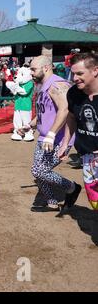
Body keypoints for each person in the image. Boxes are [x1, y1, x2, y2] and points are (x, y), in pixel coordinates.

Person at [18, 56, 78, 213]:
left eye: (33, 69)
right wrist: (29, 125)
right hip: (45, 138)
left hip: (57, 138)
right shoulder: (43, 85)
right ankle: (51, 201)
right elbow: (43, 111)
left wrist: (51, 134)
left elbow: (65, 110)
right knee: (37, 171)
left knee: (40, 171)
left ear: (46, 68)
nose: (30, 73)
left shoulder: (57, 84)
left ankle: (72, 187)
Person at [62, 52, 98, 213]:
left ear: (95, 70)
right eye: (73, 73)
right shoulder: (73, 94)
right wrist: (65, 143)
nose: (75, 78)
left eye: (80, 74)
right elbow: (71, 117)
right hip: (88, 157)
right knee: (94, 200)